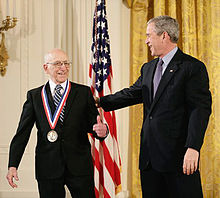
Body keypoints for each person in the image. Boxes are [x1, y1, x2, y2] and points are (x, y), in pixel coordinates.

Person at [96, 16, 212, 198]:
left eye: (149, 35)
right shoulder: (148, 68)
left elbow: (200, 110)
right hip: (150, 160)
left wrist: (193, 147)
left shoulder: (192, 68)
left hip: (178, 158)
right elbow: (132, 94)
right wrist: (98, 102)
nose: (146, 40)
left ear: (164, 35)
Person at [6, 48, 108, 198]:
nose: (63, 68)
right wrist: (13, 164)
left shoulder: (83, 92)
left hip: (79, 166)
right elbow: (22, 133)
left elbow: (93, 124)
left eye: (66, 63)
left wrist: (102, 131)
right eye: (58, 63)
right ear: (46, 67)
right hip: (48, 166)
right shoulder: (35, 96)